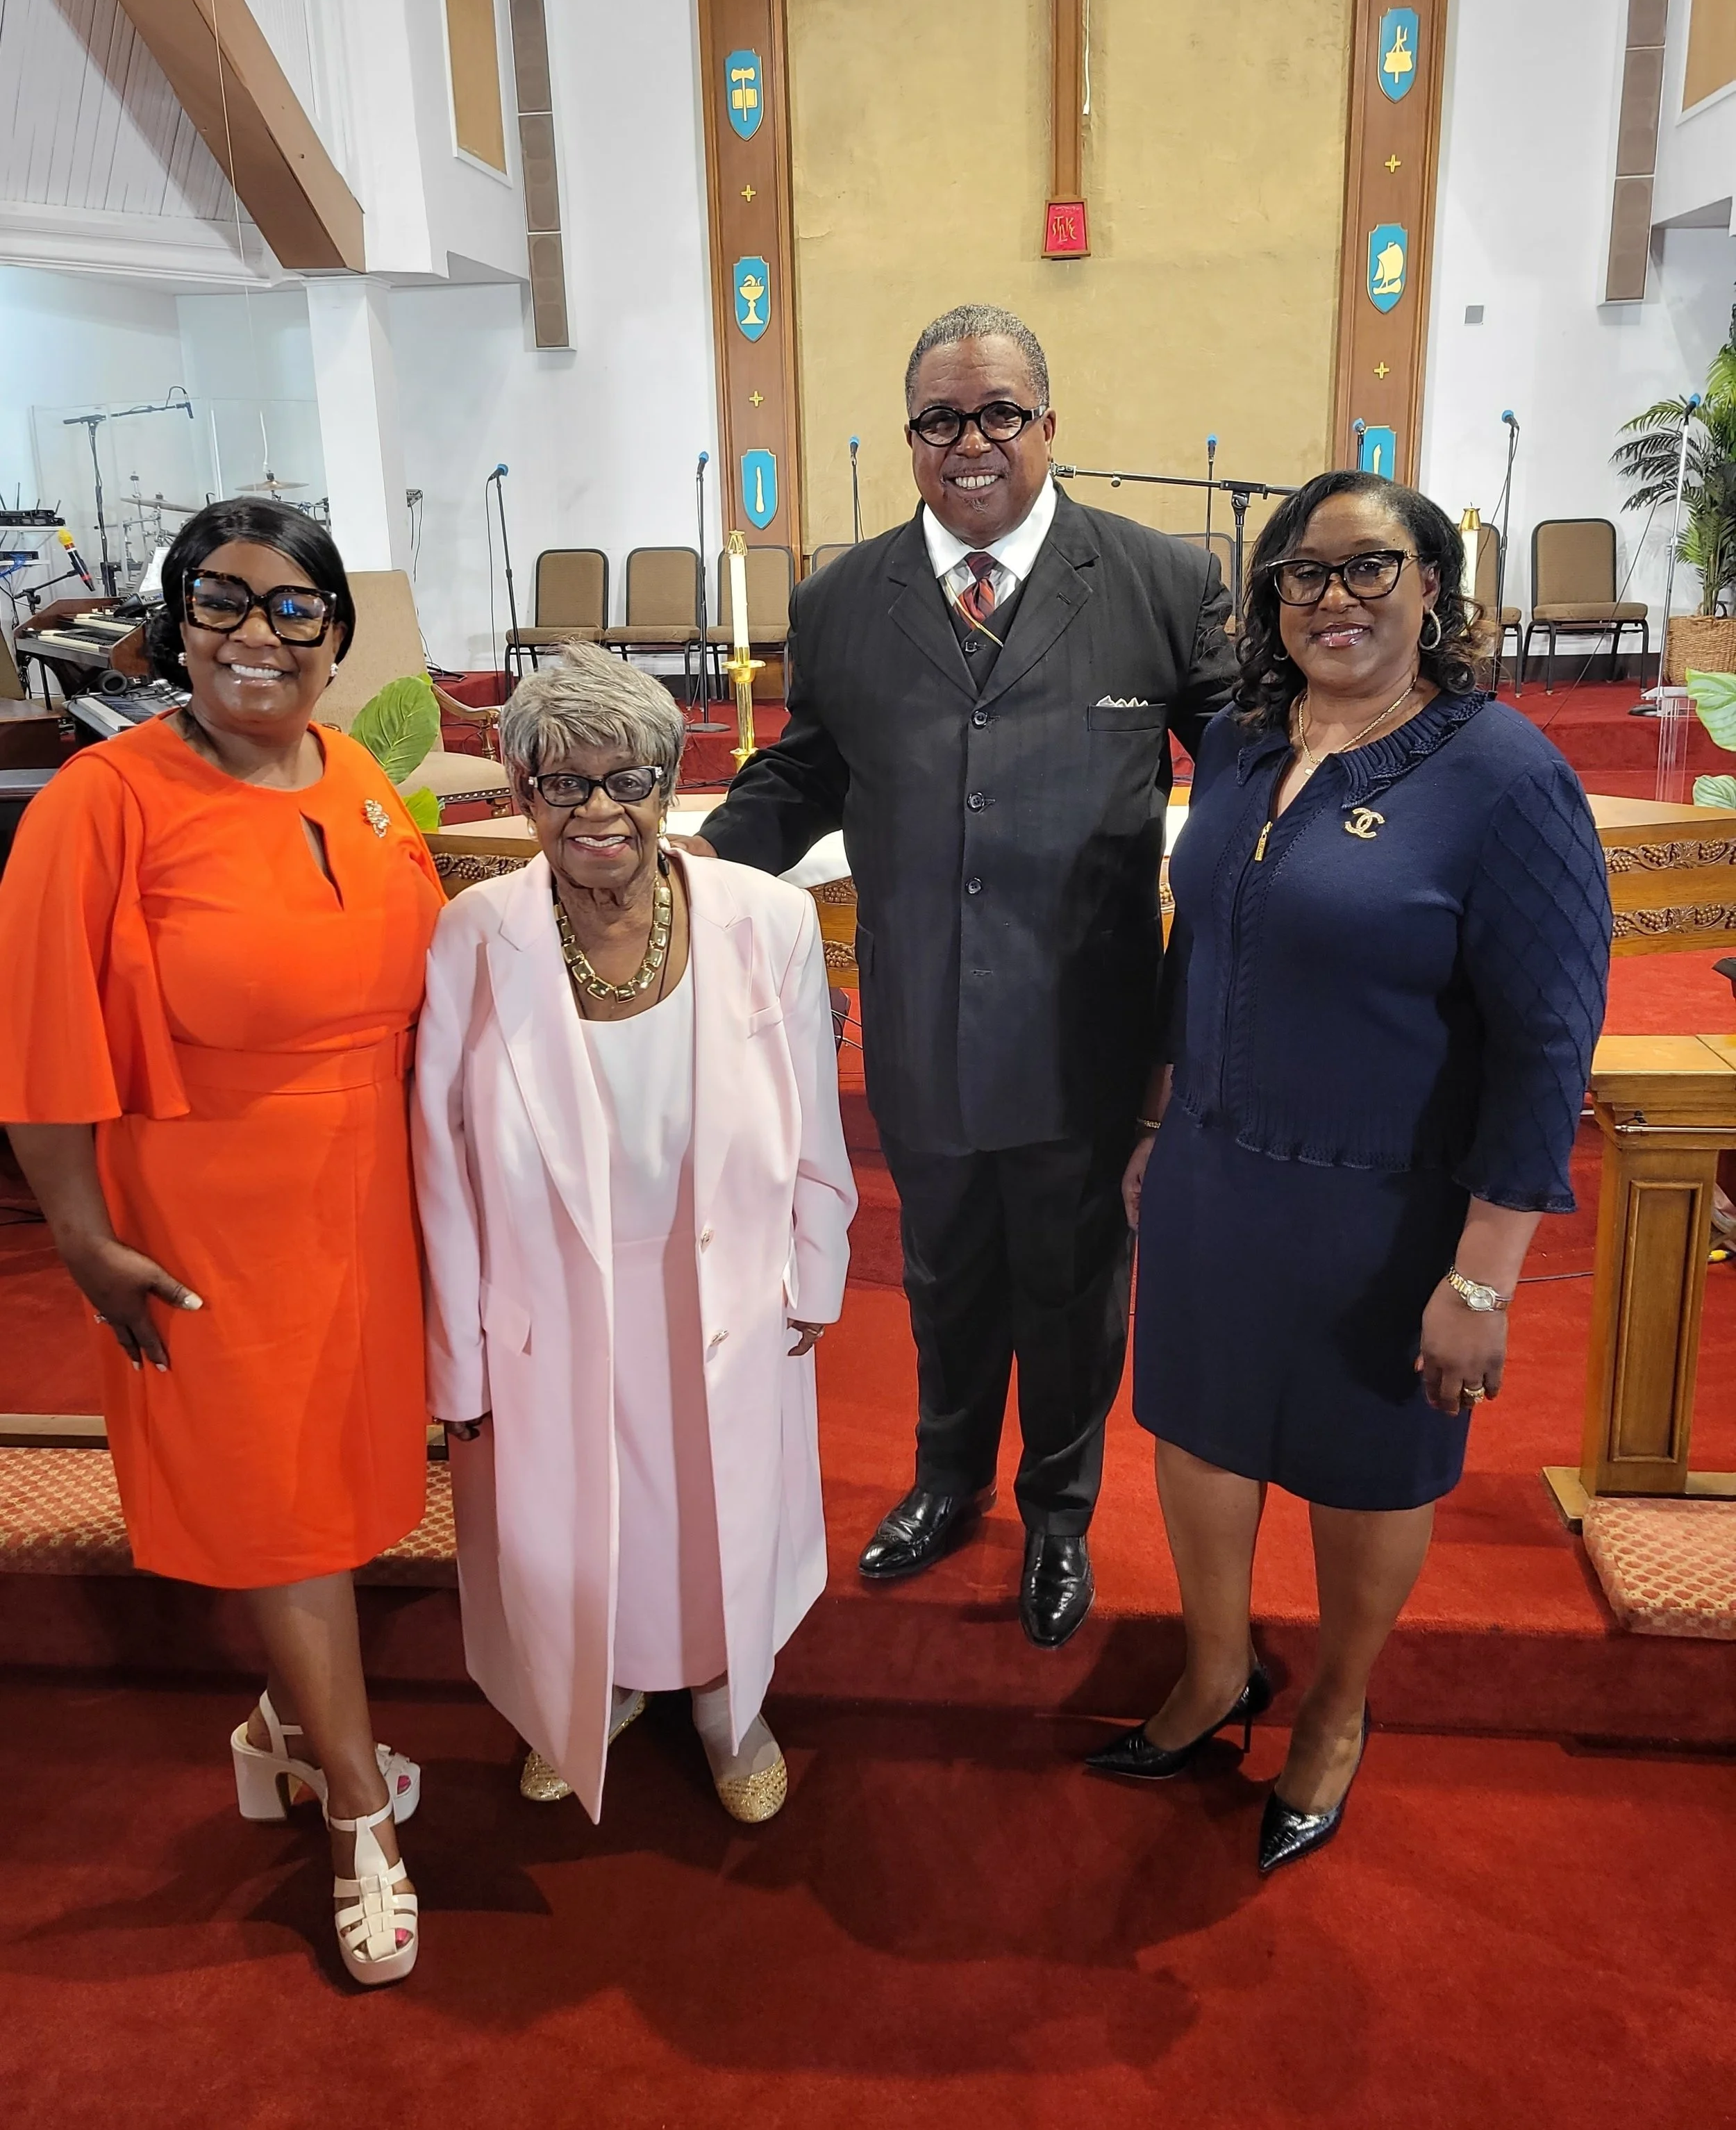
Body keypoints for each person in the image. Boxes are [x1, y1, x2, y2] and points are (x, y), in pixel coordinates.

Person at [683, 303, 1236, 1649]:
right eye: (940, 419)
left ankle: (1056, 1509)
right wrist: (678, 881)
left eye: (998, 413)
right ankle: (944, 1480)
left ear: (1048, 424)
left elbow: (1242, 779)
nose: (969, 442)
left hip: (1086, 1025)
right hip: (921, 1020)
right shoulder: (842, 597)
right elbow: (808, 771)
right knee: (940, 1274)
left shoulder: (1159, 583)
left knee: (1070, 1278)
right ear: (911, 438)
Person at [1087, 472, 1610, 1872]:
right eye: (1302, 576)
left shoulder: (1502, 778)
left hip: (1383, 1206)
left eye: (1368, 568)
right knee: (1194, 1436)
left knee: (1364, 1469)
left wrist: (1482, 1280)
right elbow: (1190, 949)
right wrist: (1148, 1128)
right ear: (1271, 601)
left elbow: (1546, 1042)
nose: (1333, 598)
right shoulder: (1246, 747)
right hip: (1212, 1175)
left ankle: (1332, 1706)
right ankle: (1213, 1672)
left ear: (1432, 586)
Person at [0, 499, 443, 1983]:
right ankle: (356, 1816)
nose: (257, 633)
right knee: (280, 1504)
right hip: (203, 1209)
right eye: (220, 601)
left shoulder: (359, 773)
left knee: (337, 1476)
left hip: (360, 1200)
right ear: (174, 619)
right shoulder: (105, 798)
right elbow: (40, 1031)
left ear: (336, 631)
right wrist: (78, 1230)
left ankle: (277, 1732)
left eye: (291, 606)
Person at [412, 644, 855, 1824]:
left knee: (719, 1508)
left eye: (631, 780)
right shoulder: (475, 935)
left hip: (720, 1284)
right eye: (563, 784)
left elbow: (814, 1112)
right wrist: (456, 1357)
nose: (599, 811)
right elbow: (441, 1163)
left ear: (674, 784)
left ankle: (728, 1697)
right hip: (547, 1301)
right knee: (569, 1521)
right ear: (521, 796)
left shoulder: (766, 920)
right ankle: (585, 1690)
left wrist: (816, 1272)